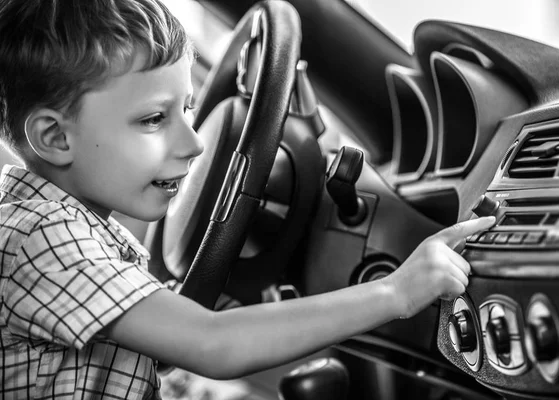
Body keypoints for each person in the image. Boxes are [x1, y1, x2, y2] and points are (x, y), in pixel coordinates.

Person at [0, 0, 496, 399]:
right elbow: (210, 343)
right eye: (154, 119)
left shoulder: (60, 225)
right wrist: (397, 292)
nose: (194, 144)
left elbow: (155, 344)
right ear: (55, 137)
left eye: (189, 110)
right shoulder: (43, 236)